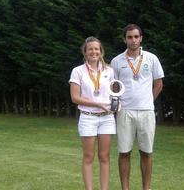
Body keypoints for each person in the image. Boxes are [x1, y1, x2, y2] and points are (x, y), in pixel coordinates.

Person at [111, 24, 164, 190]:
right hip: (125, 112)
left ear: (141, 38)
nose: (133, 40)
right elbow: (114, 86)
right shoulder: (116, 61)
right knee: (124, 152)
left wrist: (149, 100)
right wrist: (117, 103)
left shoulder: (151, 58)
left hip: (146, 112)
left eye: (136, 36)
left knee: (146, 152)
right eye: (129, 37)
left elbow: (158, 84)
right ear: (124, 39)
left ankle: (146, 188)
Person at [69, 36, 116, 190]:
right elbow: (75, 98)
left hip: (107, 118)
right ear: (85, 51)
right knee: (89, 156)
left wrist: (116, 104)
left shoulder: (109, 71)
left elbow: (115, 93)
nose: (94, 52)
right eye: (90, 49)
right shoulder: (77, 71)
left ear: (101, 51)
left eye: (97, 49)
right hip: (88, 117)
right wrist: (96, 103)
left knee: (104, 156)